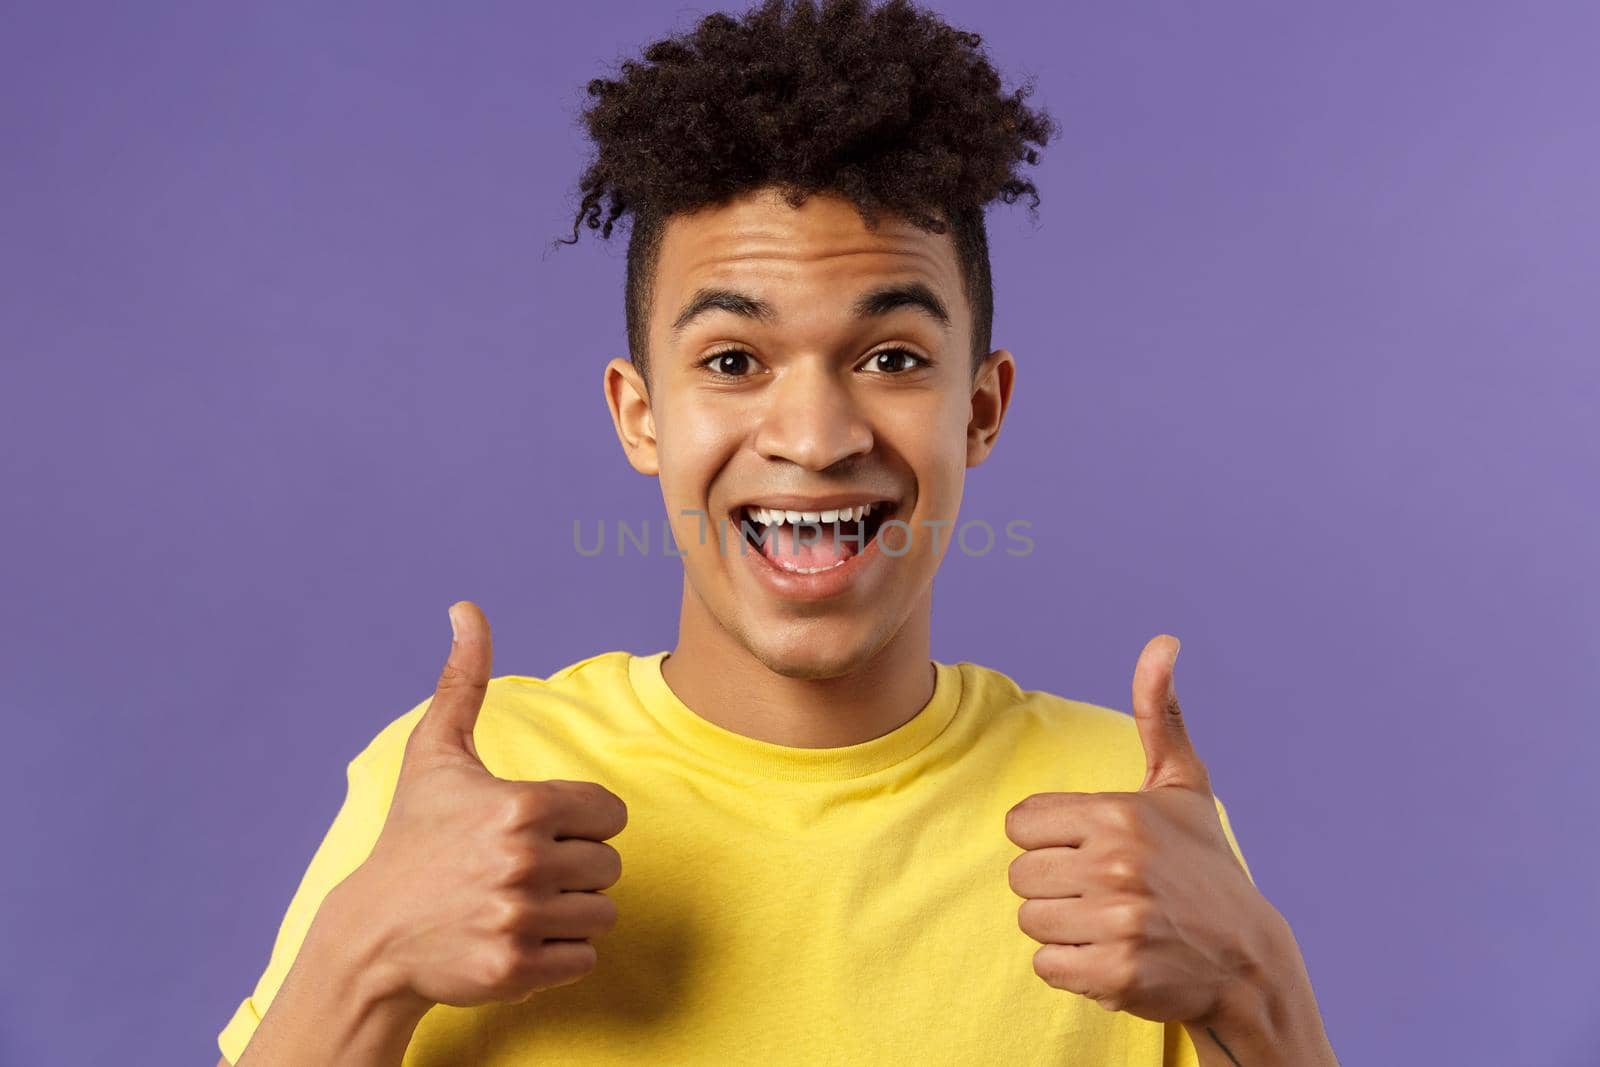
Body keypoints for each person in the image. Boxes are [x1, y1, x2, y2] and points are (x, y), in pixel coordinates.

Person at [216, 1, 1338, 1063]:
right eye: (733, 361)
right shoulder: (458, 789)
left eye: (892, 357)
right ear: (639, 412)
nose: (813, 434)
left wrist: (1258, 982)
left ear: (980, 410)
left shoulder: (1123, 804)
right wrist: (363, 960)